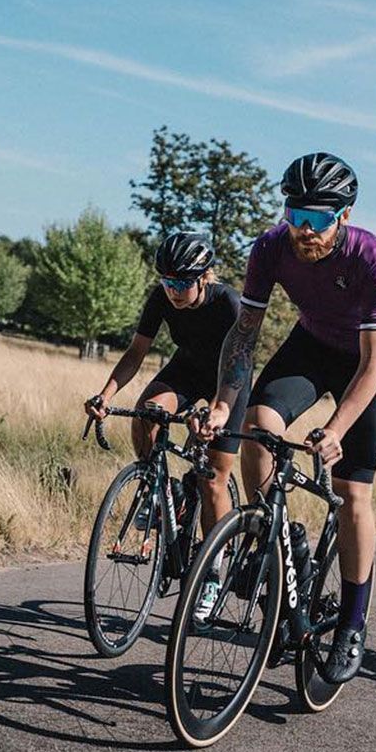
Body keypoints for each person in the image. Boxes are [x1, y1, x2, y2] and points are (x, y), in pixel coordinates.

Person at [196, 152, 376, 684]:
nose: (304, 230)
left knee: (352, 492)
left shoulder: (370, 256)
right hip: (310, 346)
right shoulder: (270, 248)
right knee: (258, 426)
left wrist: (335, 430)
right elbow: (244, 335)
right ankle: (275, 532)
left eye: (318, 219)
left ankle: (352, 623)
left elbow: (375, 362)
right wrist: (223, 401)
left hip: (365, 359)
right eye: (295, 215)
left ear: (344, 216)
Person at [85, 232, 250, 624]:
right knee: (147, 412)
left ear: (204, 277)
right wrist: (106, 394)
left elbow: (238, 364)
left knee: (212, 479)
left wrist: (215, 410)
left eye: (182, 282)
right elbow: (136, 352)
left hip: (228, 382)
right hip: (187, 370)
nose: (173, 290)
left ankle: (212, 572)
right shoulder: (161, 297)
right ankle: (159, 489)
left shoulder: (228, 303)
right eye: (167, 281)